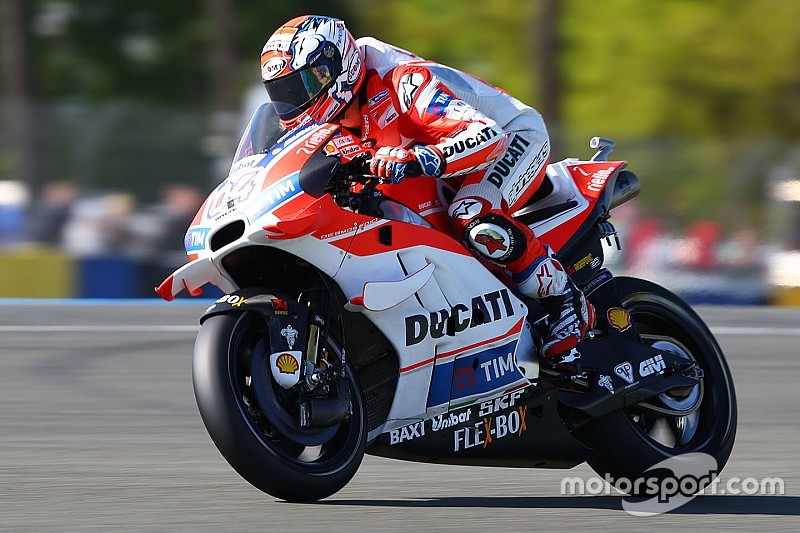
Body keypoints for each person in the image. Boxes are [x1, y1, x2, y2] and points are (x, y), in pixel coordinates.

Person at [260, 15, 593, 358]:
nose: (294, 103)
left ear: (335, 66)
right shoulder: (327, 123)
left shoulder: (402, 80)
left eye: (302, 87)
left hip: (511, 138)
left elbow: (487, 137)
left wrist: (420, 159)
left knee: (471, 214)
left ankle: (565, 300)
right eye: (284, 94)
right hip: (445, 161)